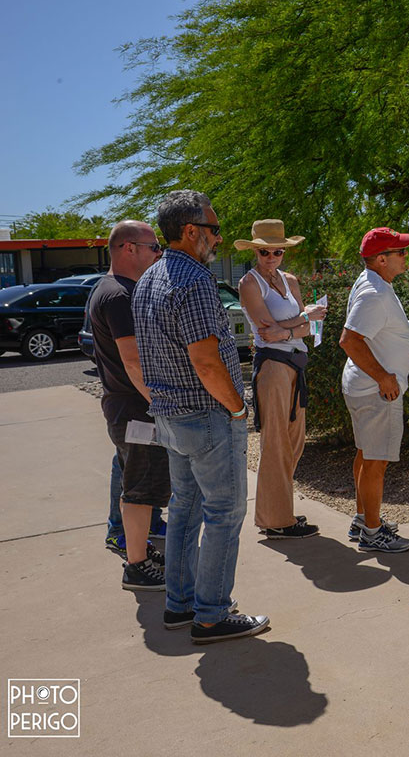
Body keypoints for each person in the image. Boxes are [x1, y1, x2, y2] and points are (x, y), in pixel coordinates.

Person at [132, 189, 268, 644]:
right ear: (190, 231)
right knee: (225, 514)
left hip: (172, 418)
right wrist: (238, 407)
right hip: (206, 416)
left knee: (186, 511)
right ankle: (211, 615)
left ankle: (180, 605)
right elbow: (206, 361)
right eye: (213, 229)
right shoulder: (192, 280)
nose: (219, 238)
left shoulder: (150, 278)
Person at [339, 227, 409, 552]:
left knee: (366, 454)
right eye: (400, 252)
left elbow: (383, 335)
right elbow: (349, 340)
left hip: (364, 387)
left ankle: (363, 519)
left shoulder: (374, 284)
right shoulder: (375, 293)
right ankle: (372, 532)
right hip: (376, 391)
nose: (406, 256)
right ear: (381, 259)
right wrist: (384, 376)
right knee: (376, 461)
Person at [90, 219, 171, 590]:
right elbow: (134, 360)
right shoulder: (119, 295)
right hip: (137, 409)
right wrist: (162, 404)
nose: (159, 253)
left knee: (138, 481)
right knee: (140, 487)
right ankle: (136, 565)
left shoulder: (109, 289)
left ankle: (139, 549)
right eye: (154, 247)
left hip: (127, 407)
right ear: (129, 248)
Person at [235, 219, 326, 540]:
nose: (271, 256)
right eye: (264, 251)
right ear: (255, 251)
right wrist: (302, 320)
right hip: (273, 367)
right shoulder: (249, 283)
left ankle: (279, 511)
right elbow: (269, 333)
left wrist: (292, 327)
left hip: (295, 364)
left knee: (294, 442)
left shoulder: (290, 280)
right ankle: (276, 518)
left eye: (277, 250)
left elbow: (305, 330)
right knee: (276, 443)